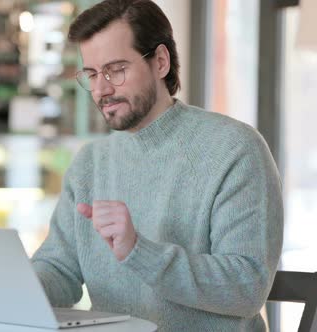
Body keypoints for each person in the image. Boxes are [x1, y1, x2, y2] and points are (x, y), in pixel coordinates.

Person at [30, 0, 283, 331]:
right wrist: (10, 286)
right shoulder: (89, 163)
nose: (102, 89)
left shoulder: (235, 149)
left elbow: (247, 288)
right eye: (91, 74)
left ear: (160, 62)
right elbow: (59, 270)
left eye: (116, 69)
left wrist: (138, 251)